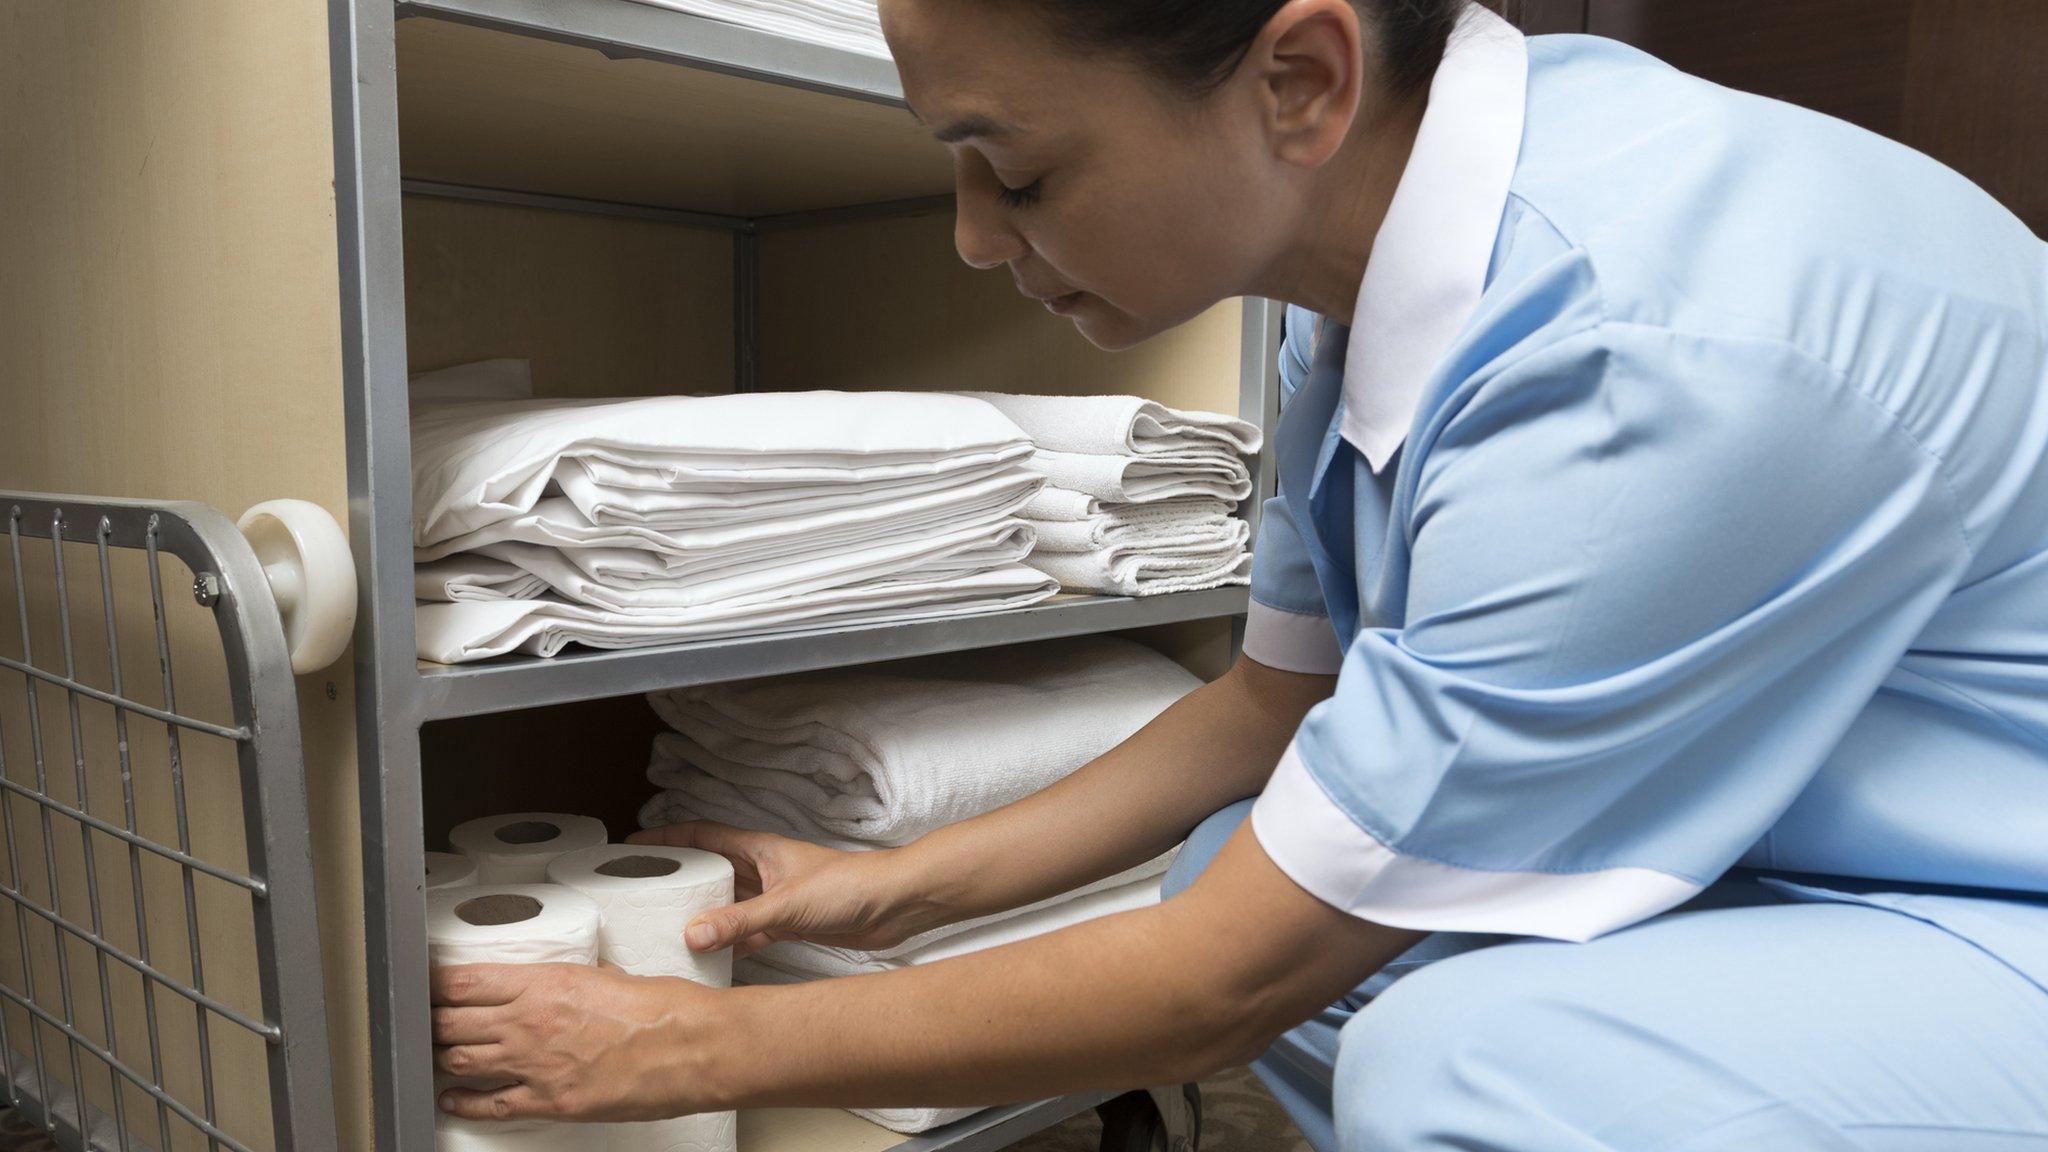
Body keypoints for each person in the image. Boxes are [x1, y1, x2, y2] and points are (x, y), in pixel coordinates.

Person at [431, 2, 2048, 1147]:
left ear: (1300, 77)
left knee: (1458, 1067)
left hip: (2000, 901)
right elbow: (1284, 703)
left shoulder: (1642, 346)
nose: (975, 238)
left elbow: (1233, 984)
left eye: (1018, 167)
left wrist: (701, 1047)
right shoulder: (1386, 290)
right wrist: (890, 888)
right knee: (1230, 866)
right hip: (1825, 838)